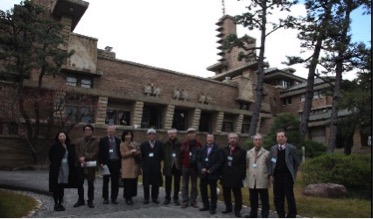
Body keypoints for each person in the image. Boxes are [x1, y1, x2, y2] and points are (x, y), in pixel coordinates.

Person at [269, 129, 300, 218]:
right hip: (277, 176)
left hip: (287, 176)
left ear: (286, 138)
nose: (280, 138)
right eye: (278, 136)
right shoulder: (273, 149)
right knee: (278, 197)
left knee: (289, 196)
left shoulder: (291, 148)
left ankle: (291, 214)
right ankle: (280, 214)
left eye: (282, 136)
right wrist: (271, 174)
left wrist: (293, 173)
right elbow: (270, 162)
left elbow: (297, 162)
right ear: (276, 138)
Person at [48, 131, 79, 211]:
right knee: (56, 185)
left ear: (66, 137)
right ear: (58, 137)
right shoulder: (54, 146)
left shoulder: (69, 146)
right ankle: (56, 203)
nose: (62, 137)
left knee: (62, 185)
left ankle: (60, 202)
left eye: (63, 136)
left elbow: (72, 156)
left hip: (66, 168)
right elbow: (50, 156)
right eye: (60, 136)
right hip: (57, 168)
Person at [221, 132, 246, 217]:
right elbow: (222, 162)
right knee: (226, 194)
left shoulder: (242, 151)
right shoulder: (224, 150)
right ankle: (228, 208)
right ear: (228, 140)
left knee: (237, 195)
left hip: (236, 176)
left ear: (237, 140)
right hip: (226, 175)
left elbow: (243, 165)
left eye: (234, 138)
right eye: (231, 138)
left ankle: (237, 210)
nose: (232, 140)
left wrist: (241, 175)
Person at [245, 133, 270, 218]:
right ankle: (253, 214)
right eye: (256, 140)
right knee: (253, 199)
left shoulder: (266, 153)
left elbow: (269, 166)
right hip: (252, 180)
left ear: (262, 141)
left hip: (262, 179)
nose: (258, 141)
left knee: (264, 200)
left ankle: (264, 215)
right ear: (253, 141)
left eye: (259, 140)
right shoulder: (249, 153)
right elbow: (247, 165)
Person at [73, 124, 99, 208]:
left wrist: (85, 157)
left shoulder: (96, 141)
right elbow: (77, 151)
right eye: (86, 130)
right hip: (80, 164)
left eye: (89, 130)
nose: (87, 131)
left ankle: (90, 200)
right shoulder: (79, 141)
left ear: (92, 131)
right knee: (80, 183)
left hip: (90, 165)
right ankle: (81, 200)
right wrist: (80, 159)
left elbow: (95, 153)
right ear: (84, 131)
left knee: (90, 183)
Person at [197, 134, 223, 215]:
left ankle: (213, 207)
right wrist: (201, 168)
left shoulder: (218, 149)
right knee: (203, 189)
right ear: (206, 139)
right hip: (203, 174)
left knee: (213, 191)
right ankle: (206, 205)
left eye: (211, 138)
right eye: (208, 138)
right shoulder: (202, 149)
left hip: (213, 174)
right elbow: (198, 161)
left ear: (213, 139)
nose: (209, 139)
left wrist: (211, 169)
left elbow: (220, 161)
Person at [98, 125, 121, 204]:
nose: (111, 131)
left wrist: (120, 165)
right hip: (106, 163)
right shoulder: (103, 140)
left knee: (115, 182)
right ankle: (105, 198)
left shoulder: (118, 140)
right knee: (105, 181)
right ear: (107, 130)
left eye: (112, 130)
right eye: (109, 129)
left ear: (114, 131)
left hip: (116, 162)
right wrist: (100, 162)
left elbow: (120, 152)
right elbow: (100, 152)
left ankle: (114, 198)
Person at [180, 127, 202, 208]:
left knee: (194, 185)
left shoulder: (199, 145)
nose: (191, 134)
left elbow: (201, 156)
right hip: (185, 167)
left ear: (195, 134)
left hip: (194, 168)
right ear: (187, 135)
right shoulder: (184, 144)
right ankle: (185, 201)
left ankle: (193, 201)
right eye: (190, 133)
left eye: (193, 133)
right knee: (184, 185)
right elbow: (180, 155)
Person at [140, 128, 163, 204]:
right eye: (150, 134)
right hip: (147, 167)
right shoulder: (143, 145)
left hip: (156, 166)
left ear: (155, 135)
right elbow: (141, 156)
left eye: (153, 134)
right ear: (147, 136)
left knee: (155, 183)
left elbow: (162, 156)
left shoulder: (160, 144)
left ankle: (155, 198)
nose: (151, 135)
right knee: (146, 183)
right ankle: (146, 198)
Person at [120, 130, 142, 205]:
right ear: (124, 136)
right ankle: (127, 198)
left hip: (135, 164)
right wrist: (131, 151)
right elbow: (123, 155)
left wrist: (137, 152)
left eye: (130, 134)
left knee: (133, 182)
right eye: (127, 135)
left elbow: (139, 151)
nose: (128, 136)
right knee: (127, 183)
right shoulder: (122, 144)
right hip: (127, 165)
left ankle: (131, 196)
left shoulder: (134, 143)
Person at [162, 128, 182, 205]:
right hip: (168, 166)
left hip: (177, 166)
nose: (172, 135)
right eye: (170, 134)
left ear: (176, 134)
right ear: (168, 135)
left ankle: (176, 198)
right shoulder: (165, 144)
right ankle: (167, 198)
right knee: (167, 183)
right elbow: (163, 155)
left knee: (177, 183)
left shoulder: (180, 144)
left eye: (173, 133)